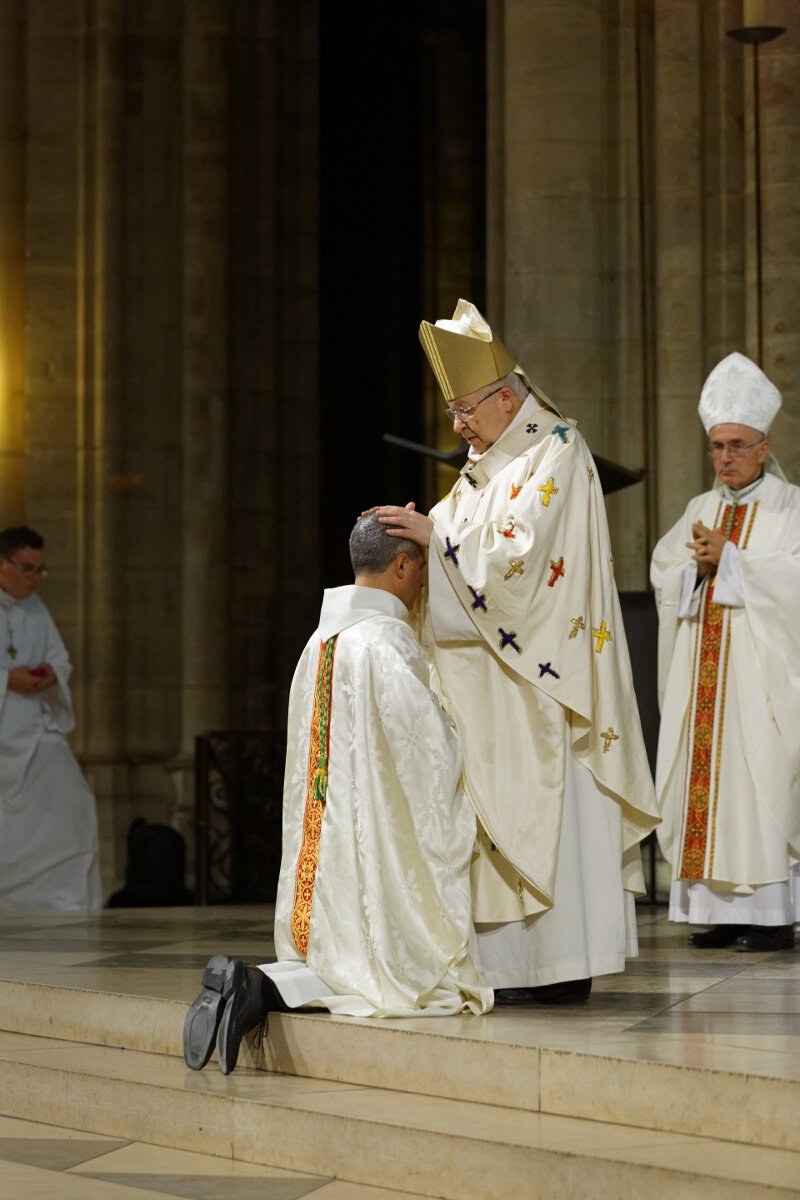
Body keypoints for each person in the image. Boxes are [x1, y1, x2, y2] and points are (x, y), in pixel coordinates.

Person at [370, 299, 660, 1005]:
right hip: (485, 688)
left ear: (505, 397)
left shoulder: (555, 448)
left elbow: (519, 564)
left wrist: (432, 540)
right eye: (450, 414)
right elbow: (453, 555)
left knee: (551, 813)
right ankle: (505, 966)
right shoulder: (479, 472)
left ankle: (561, 965)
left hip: (545, 687)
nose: (458, 426)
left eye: (465, 410)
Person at [183, 513, 492, 1075]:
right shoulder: (384, 646)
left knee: (339, 951)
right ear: (403, 565)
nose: (424, 583)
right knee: (385, 971)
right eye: (422, 569)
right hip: (369, 836)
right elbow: (426, 752)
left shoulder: (320, 641)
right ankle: (261, 986)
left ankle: (260, 984)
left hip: (324, 841)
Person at [650, 352, 799, 951]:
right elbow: (666, 572)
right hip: (705, 681)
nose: (726, 457)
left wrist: (732, 563)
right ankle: (718, 910)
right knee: (706, 783)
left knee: (761, 781)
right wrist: (694, 568)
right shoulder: (699, 509)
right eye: (717, 447)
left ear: (764, 447)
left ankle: (769, 914)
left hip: (759, 685)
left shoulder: (791, 508)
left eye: (737, 445)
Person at [0, 525, 102, 910]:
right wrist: (8, 678)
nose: (34, 579)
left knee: (74, 800)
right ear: (1, 563)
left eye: (40, 570)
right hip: (3, 730)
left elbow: (60, 658)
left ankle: (64, 903)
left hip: (34, 727)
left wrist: (48, 674)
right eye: (27, 568)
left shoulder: (35, 608)